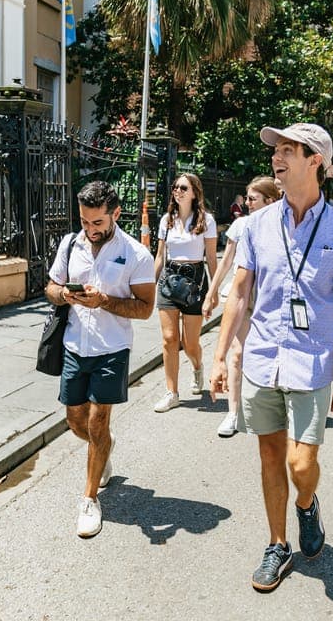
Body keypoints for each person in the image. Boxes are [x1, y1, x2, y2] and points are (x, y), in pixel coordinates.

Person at [209, 123, 333, 592]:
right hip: (260, 358)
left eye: (289, 150)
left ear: (315, 160)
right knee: (270, 454)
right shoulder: (256, 225)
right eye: (276, 150)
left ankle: (306, 504)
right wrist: (218, 358)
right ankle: (278, 545)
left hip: (312, 360)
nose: (277, 157)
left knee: (301, 465)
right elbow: (238, 295)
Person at [45, 181, 156, 538]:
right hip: (75, 346)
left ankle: (90, 499)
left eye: (97, 223)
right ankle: (105, 448)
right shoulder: (70, 244)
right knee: (76, 421)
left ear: (115, 214)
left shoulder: (136, 254)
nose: (90, 230)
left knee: (96, 422)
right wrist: (63, 294)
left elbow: (145, 308)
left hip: (112, 348)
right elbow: (50, 287)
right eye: (85, 222)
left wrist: (104, 301)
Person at [202, 175, 281, 438]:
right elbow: (226, 263)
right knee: (237, 354)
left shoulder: (283, 225)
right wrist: (211, 293)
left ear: (270, 200)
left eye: (252, 198)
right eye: (246, 198)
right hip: (240, 297)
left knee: (268, 354)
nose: (246, 203)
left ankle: (269, 408)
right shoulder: (242, 225)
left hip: (268, 299)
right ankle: (233, 413)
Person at [153, 173, 219, 413]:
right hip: (169, 281)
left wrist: (214, 291)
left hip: (195, 281)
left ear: (194, 193)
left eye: (183, 187)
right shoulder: (166, 220)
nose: (177, 191)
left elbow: (211, 258)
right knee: (170, 339)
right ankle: (172, 393)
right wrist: (149, 285)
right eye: (175, 187)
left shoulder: (206, 221)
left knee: (189, 343)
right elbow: (160, 256)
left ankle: (197, 366)